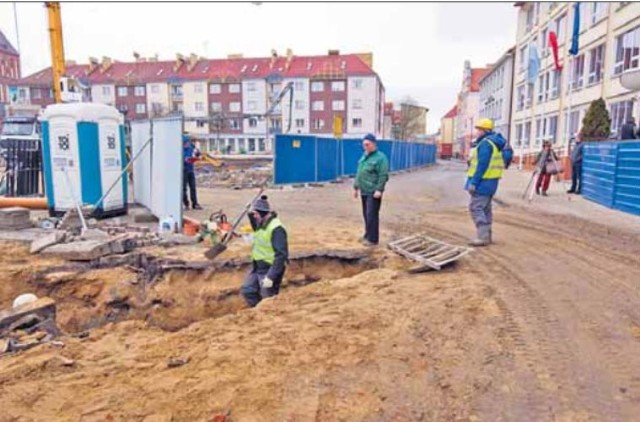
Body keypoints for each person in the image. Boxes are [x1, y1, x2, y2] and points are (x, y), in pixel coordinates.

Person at [241, 195, 289, 307]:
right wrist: (249, 212)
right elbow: (255, 225)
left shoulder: (277, 229)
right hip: (257, 266)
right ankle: (257, 312)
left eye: (255, 214)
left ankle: (270, 317)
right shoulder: (261, 222)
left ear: (262, 213)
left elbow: (281, 255)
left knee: (267, 298)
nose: (254, 217)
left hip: (270, 268)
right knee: (248, 290)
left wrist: (271, 276)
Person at [465, 118, 506, 247]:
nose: (477, 132)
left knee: (475, 207)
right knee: (486, 209)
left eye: (478, 130)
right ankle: (487, 236)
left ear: (484, 131)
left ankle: (482, 236)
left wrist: (474, 182)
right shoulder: (495, 143)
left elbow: (482, 165)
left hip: (483, 182)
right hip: (491, 182)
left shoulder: (485, 144)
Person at [353, 133, 389, 246]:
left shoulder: (380, 158)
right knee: (366, 214)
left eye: (367, 144)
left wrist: (379, 189)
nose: (365, 146)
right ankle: (367, 235)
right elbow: (359, 173)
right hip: (364, 190)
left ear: (374, 144)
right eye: (364, 144)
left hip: (373, 192)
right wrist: (355, 187)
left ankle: (373, 239)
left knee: (371, 214)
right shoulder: (364, 156)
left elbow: (383, 175)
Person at [182, 134, 202, 210]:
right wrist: (185, 160)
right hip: (183, 171)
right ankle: (186, 204)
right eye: (186, 143)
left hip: (190, 170)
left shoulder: (191, 148)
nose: (187, 144)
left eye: (188, 142)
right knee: (184, 189)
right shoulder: (180, 150)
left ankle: (195, 203)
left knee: (193, 187)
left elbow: (198, 153)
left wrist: (198, 157)